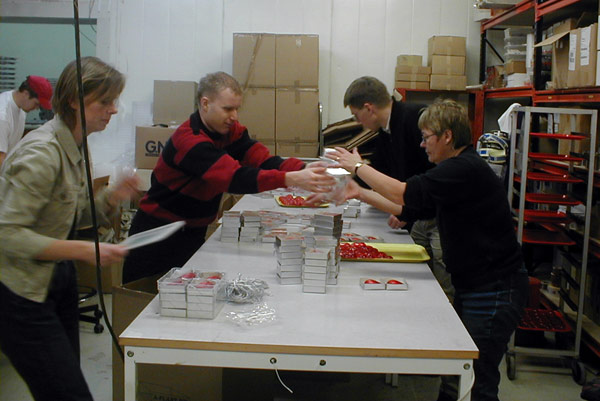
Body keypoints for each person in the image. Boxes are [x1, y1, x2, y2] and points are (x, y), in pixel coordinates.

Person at [330, 99, 528, 401]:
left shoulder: (464, 168)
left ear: (447, 136)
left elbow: (403, 192)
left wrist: (358, 167)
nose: (422, 145)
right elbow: (409, 208)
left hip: (495, 290)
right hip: (477, 287)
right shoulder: (454, 169)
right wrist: (360, 192)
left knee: (477, 380)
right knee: (457, 376)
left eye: (426, 137)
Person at [0, 57, 139, 401]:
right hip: (22, 291)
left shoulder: (75, 143)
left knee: (63, 383)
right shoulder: (42, 153)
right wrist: (83, 250)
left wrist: (111, 197)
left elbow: (70, 214)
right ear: (76, 100)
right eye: (105, 101)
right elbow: (8, 235)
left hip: (57, 277)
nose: (114, 109)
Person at [122, 71, 336, 284]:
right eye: (227, 109)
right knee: (145, 298)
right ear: (205, 104)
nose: (234, 116)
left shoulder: (230, 132)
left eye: (237, 109)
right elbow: (234, 178)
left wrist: (305, 168)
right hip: (157, 234)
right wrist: (291, 179)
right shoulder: (190, 141)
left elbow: (262, 160)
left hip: (191, 230)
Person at [343, 76, 453, 299]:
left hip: (441, 214)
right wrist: (349, 175)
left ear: (369, 108)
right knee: (422, 281)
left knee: (444, 284)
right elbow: (382, 173)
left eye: (356, 115)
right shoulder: (386, 130)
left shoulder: (414, 119)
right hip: (419, 214)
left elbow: (433, 176)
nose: (357, 122)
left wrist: (407, 208)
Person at [0, 75, 53, 167]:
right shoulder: (2, 116)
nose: (37, 108)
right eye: (36, 104)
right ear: (26, 93)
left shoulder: (21, 108)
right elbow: (1, 158)